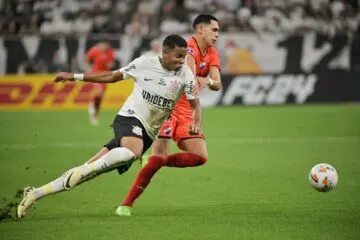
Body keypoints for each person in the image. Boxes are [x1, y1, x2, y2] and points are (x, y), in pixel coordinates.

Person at [16, 34, 201, 219]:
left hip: (148, 134)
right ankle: (86, 169)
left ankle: (34, 193)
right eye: (178, 55)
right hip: (129, 118)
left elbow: (195, 105)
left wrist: (195, 122)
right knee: (131, 153)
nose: (181, 60)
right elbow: (112, 76)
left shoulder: (185, 74)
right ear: (165, 52)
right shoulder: (144, 63)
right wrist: (75, 76)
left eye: (184, 56)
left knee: (86, 173)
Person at [84, 14, 221, 216]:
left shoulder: (212, 54)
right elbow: (185, 76)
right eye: (214, 30)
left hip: (187, 111)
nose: (217, 34)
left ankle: (152, 159)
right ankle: (126, 204)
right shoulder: (186, 49)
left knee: (200, 157)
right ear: (200, 29)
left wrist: (207, 81)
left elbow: (217, 84)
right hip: (167, 108)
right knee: (157, 156)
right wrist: (196, 79)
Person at [84, 40, 115, 126]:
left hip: (105, 75)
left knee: (100, 97)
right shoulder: (94, 50)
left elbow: (111, 63)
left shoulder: (110, 52)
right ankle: (91, 104)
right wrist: (87, 69)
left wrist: (110, 65)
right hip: (96, 74)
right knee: (99, 92)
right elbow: (86, 58)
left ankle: (95, 114)